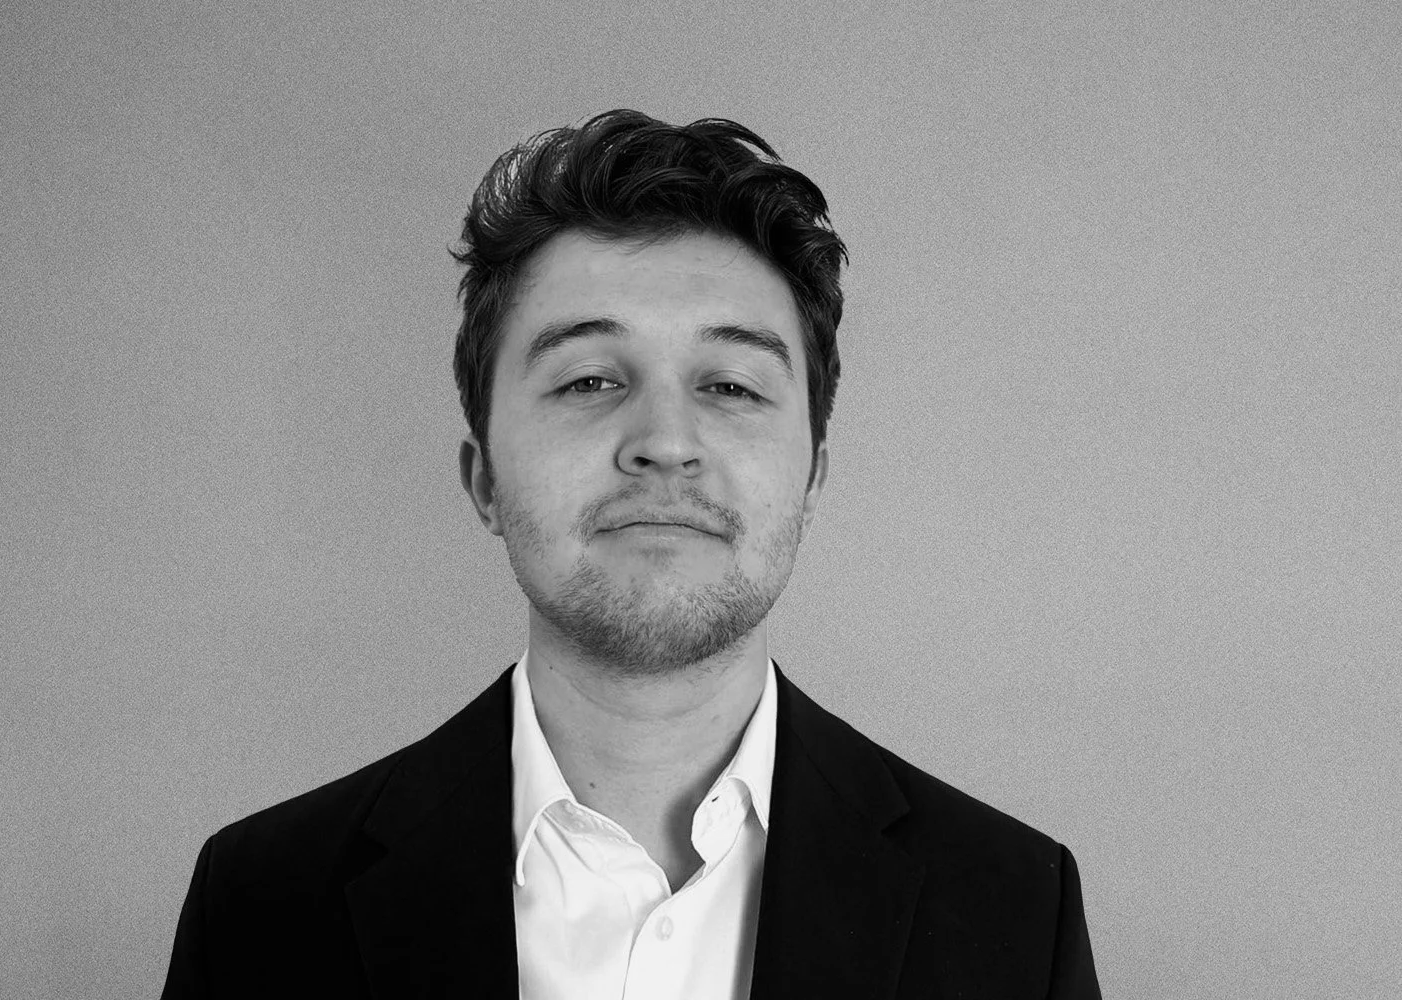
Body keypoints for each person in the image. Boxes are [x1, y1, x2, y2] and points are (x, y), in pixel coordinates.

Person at [161, 109, 1102, 999]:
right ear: (484, 478)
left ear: (813, 475)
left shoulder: (1016, 914)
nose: (665, 442)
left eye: (730, 386)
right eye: (589, 380)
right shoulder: (261, 908)